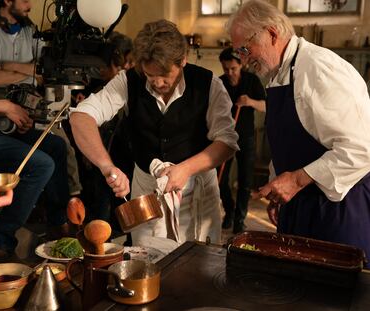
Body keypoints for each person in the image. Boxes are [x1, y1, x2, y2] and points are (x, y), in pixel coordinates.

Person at [70, 19, 239, 250]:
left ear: (182, 61)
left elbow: (227, 142)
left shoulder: (208, 84)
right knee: (149, 260)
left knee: (200, 264)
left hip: (196, 190)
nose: (158, 82)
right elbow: (81, 117)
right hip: (148, 193)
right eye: (150, 75)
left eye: (165, 75)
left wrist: (185, 169)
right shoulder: (129, 81)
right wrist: (107, 166)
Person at [228, 0, 370, 267]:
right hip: (299, 208)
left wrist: (296, 181)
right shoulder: (279, 73)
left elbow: (361, 149)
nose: (244, 61)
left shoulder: (318, 69)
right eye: (239, 53)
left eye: (246, 50)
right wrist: (277, 186)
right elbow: (289, 142)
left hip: (336, 212)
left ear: (271, 33)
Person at [0, 0, 69, 263]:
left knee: (55, 146)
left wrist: (10, 114)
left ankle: (58, 226)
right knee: (39, 164)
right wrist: (3, 105)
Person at [0, 0, 82, 197]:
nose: (30, 6)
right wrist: (31, 72)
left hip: (32, 98)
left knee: (63, 147)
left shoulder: (30, 29)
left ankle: (70, 204)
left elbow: (44, 67)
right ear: (7, 1)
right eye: (24, 0)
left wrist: (8, 66)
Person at [217, 47, 266, 232]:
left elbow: (266, 106)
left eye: (233, 69)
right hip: (225, 137)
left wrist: (249, 102)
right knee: (220, 180)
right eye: (226, 69)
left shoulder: (251, 80)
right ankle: (229, 212)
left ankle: (239, 219)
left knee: (245, 181)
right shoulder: (220, 83)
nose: (229, 73)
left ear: (241, 65)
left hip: (246, 137)